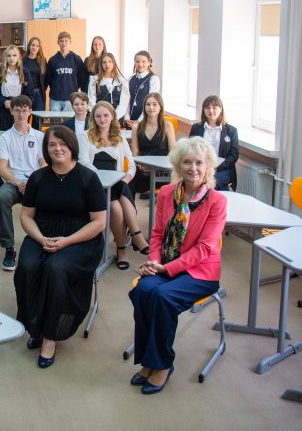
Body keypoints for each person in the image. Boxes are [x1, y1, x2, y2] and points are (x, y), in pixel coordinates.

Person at [129, 137, 226, 394]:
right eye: (187, 162)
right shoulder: (168, 193)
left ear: (207, 168)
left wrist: (166, 269)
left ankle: (161, 364)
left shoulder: (217, 201)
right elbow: (158, 233)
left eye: (199, 163)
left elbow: (205, 248)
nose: (193, 168)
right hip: (166, 262)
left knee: (161, 295)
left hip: (200, 271)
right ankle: (148, 360)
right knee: (142, 290)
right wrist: (154, 262)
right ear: (178, 166)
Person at [14, 126, 107, 367]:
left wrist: (67, 241)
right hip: (43, 233)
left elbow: (98, 223)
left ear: (72, 146)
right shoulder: (37, 178)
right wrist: (41, 239)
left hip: (80, 237)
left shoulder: (89, 178)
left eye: (62, 144)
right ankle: (35, 324)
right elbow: (26, 216)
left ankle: (51, 336)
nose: (57, 148)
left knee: (56, 269)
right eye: (52, 145)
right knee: (27, 266)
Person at [81, 101, 149, 269]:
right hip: (94, 185)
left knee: (117, 207)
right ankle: (135, 235)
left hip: (116, 188)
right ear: (93, 118)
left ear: (112, 116)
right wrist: (105, 179)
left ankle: (122, 249)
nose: (102, 119)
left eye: (106, 115)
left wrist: (125, 180)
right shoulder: (85, 136)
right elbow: (83, 162)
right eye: (98, 116)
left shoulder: (119, 137)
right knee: (118, 193)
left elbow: (132, 165)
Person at [0, 95, 46, 271]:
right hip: (14, 182)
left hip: (36, 182)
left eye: (24, 110)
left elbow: (43, 164)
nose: (21, 114)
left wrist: (33, 182)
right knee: (1, 198)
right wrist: (19, 183)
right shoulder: (5, 138)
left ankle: (43, 240)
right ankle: (9, 247)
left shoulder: (40, 136)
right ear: (11, 111)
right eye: (17, 110)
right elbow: (2, 168)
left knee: (51, 198)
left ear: (30, 111)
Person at [0, 45, 33, 195]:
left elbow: (30, 93)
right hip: (2, 110)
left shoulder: (24, 72)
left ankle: (16, 179)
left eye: (14, 56)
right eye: (9, 56)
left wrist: (20, 106)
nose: (11, 58)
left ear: (18, 57)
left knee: (17, 145)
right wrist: (3, 102)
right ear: (5, 57)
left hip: (19, 110)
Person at [188, 95, 239, 191]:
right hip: (200, 168)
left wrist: (216, 166)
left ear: (221, 109)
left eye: (214, 107)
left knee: (213, 181)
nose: (211, 111)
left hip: (222, 170)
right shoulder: (196, 128)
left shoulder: (231, 131)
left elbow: (234, 155)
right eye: (207, 108)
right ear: (204, 110)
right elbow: (190, 149)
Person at [130, 93, 176, 196]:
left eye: (155, 104)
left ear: (160, 107)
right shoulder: (136, 127)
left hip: (163, 170)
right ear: (144, 107)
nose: (151, 108)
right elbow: (135, 152)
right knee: (128, 182)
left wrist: (157, 166)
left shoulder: (167, 126)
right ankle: (132, 210)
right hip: (144, 169)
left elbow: (173, 151)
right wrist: (142, 165)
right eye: (148, 104)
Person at [45, 31, 88, 111]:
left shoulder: (76, 59)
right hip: (55, 99)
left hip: (71, 99)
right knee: (54, 122)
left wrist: (73, 87)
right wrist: (56, 87)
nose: (64, 43)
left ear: (70, 42)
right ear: (58, 42)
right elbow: (49, 78)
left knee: (68, 123)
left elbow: (81, 78)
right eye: (61, 41)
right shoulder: (52, 60)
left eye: (66, 41)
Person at [87, 52, 130, 123]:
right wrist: (98, 117)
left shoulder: (122, 81)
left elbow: (124, 103)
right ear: (101, 64)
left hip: (116, 119)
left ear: (114, 63)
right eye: (104, 62)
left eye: (110, 62)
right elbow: (91, 101)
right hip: (100, 119)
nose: (107, 65)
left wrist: (114, 117)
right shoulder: (94, 80)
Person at [124, 50, 161, 128]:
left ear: (149, 63)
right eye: (137, 61)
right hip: (130, 120)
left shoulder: (153, 79)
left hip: (146, 121)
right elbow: (127, 99)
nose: (140, 64)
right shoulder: (131, 78)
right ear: (134, 63)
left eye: (143, 61)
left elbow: (151, 103)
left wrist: (139, 121)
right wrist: (127, 118)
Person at [23, 36, 47, 116]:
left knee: (38, 120)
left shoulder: (42, 60)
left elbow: (46, 79)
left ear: (39, 48)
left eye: (37, 46)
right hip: (26, 95)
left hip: (38, 95)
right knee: (24, 118)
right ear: (29, 46)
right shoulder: (22, 60)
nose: (34, 47)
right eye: (33, 45)